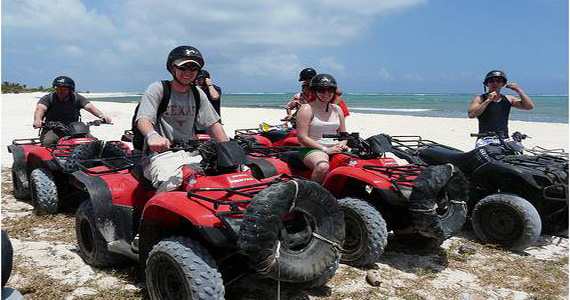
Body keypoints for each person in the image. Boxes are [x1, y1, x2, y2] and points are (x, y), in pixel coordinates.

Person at [135, 45, 229, 191]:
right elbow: (144, 119)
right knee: (171, 184)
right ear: (173, 68)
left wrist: (228, 149)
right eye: (183, 67)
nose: (188, 72)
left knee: (229, 173)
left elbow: (213, 124)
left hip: (192, 152)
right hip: (160, 155)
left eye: (193, 68)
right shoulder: (158, 89)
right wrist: (152, 136)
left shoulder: (197, 93)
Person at [296, 74, 348, 184]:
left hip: (335, 147)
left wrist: (342, 143)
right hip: (311, 148)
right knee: (322, 166)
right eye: (321, 90)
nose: (326, 94)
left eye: (330, 90)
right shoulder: (306, 108)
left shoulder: (337, 109)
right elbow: (302, 137)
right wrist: (325, 149)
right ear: (315, 91)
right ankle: (312, 196)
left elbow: (343, 134)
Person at [33, 76, 112, 146]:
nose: (60, 91)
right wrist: (38, 120)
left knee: (93, 142)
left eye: (64, 89)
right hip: (53, 128)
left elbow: (89, 107)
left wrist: (102, 116)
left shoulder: (77, 98)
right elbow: (40, 108)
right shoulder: (49, 98)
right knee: (48, 142)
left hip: (74, 128)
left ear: (70, 90)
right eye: (58, 89)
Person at [468, 70, 535, 147]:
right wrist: (488, 101)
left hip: (504, 138)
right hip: (485, 138)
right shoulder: (480, 98)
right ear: (487, 84)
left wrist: (518, 90)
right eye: (491, 81)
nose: (495, 83)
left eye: (499, 81)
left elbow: (529, 106)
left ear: (503, 84)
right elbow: (471, 114)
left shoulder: (508, 99)